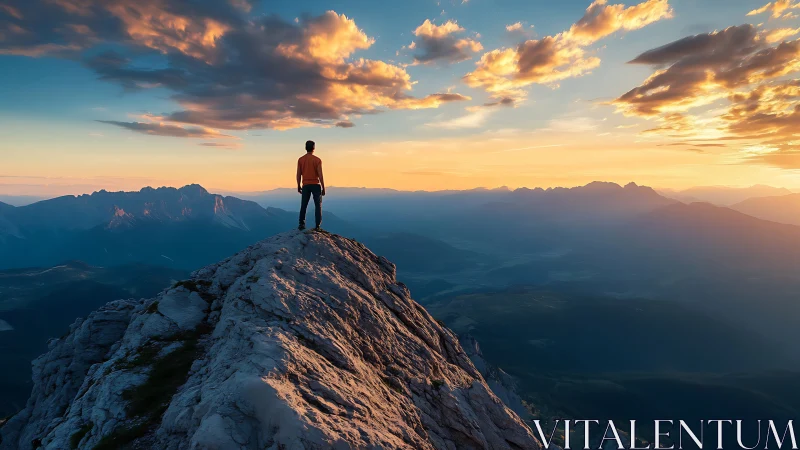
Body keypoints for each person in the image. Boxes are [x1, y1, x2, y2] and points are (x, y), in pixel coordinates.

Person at [297, 140, 325, 230]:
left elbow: (298, 174)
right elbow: (320, 175)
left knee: (304, 205)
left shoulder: (301, 160)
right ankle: (317, 226)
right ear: (314, 148)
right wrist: (323, 187)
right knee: (318, 205)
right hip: (316, 185)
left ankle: (301, 224)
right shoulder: (317, 160)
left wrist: (298, 185)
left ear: (305, 148)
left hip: (305, 185)